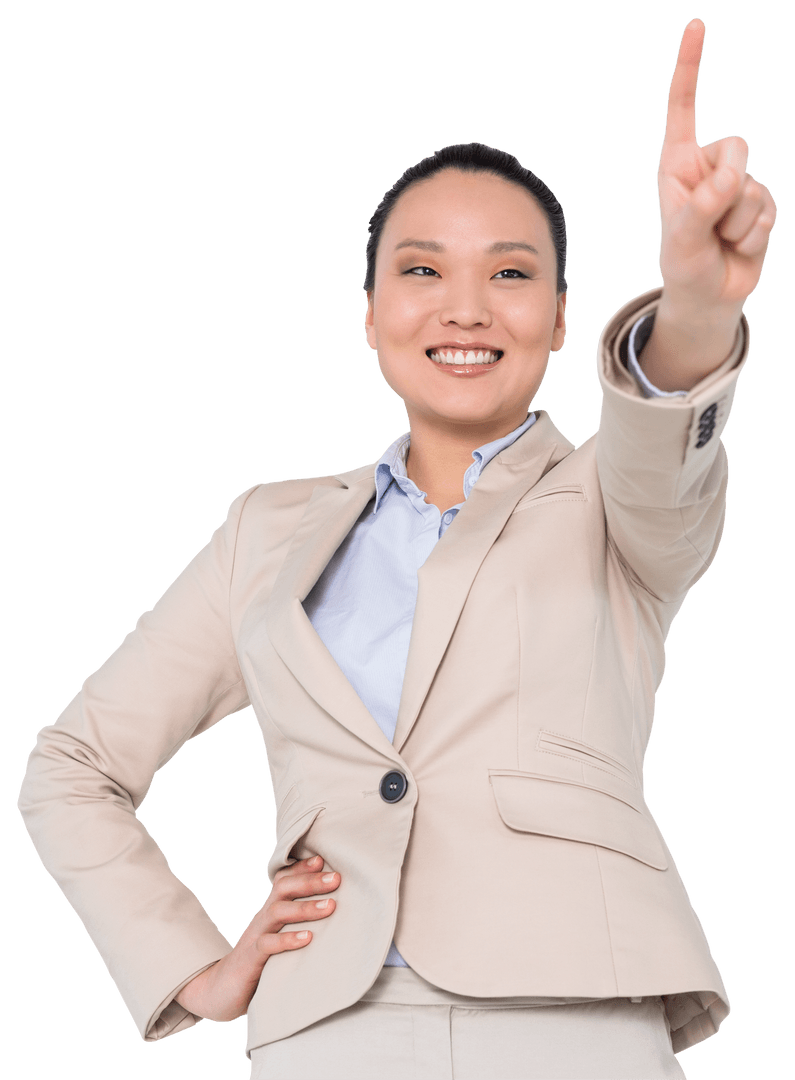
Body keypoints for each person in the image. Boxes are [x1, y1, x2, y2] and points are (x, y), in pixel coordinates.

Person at [17, 17, 776, 1080]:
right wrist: (196, 968)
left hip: (575, 1014)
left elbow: (663, 435)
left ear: (563, 319)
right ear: (370, 313)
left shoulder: (610, 495)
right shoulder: (267, 528)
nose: (465, 306)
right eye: (421, 269)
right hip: (329, 1026)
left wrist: (695, 305)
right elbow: (72, 768)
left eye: (512, 276)